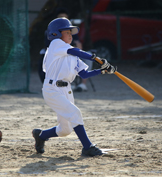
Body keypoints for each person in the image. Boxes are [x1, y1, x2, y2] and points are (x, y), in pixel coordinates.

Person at [32, 17, 116, 157]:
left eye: (71, 33)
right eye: (67, 32)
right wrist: (95, 58)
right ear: (56, 34)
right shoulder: (55, 44)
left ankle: (41, 135)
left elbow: (83, 74)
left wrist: (102, 70)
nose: (71, 35)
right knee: (75, 113)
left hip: (66, 90)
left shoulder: (71, 54)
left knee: (65, 130)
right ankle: (87, 147)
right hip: (52, 89)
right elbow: (77, 51)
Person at [38, 7, 92, 92]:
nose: (64, 20)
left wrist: (77, 49)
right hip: (60, 56)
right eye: (60, 18)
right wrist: (93, 57)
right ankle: (70, 83)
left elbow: (79, 46)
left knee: (86, 57)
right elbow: (50, 47)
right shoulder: (52, 32)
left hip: (73, 53)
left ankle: (82, 85)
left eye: (65, 18)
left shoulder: (70, 30)